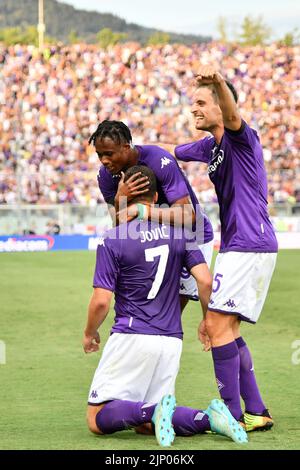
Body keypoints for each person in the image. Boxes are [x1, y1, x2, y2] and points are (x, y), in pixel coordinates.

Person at [83, 165, 247, 446]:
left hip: (132, 335)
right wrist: (208, 322)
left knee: (97, 419)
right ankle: (209, 418)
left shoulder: (114, 239)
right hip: (171, 340)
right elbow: (205, 282)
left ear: (124, 197)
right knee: (146, 426)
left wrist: (89, 332)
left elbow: (101, 300)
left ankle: (155, 409)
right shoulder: (180, 234)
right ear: (157, 196)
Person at [173, 66, 278, 432]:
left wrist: (217, 81)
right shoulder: (212, 146)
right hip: (241, 244)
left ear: (221, 106)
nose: (194, 109)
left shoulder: (240, 137)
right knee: (228, 329)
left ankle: (230, 416)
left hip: (248, 243)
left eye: (201, 103)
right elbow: (176, 151)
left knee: (216, 326)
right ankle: (256, 412)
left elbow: (232, 115)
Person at [88, 120, 214, 311]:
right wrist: (119, 199)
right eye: (99, 154)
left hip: (191, 237)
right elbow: (119, 228)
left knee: (168, 312)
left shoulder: (158, 160)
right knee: (152, 313)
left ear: (126, 146)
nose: (104, 160)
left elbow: (188, 216)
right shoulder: (106, 176)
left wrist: (141, 211)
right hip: (154, 239)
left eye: (109, 154)